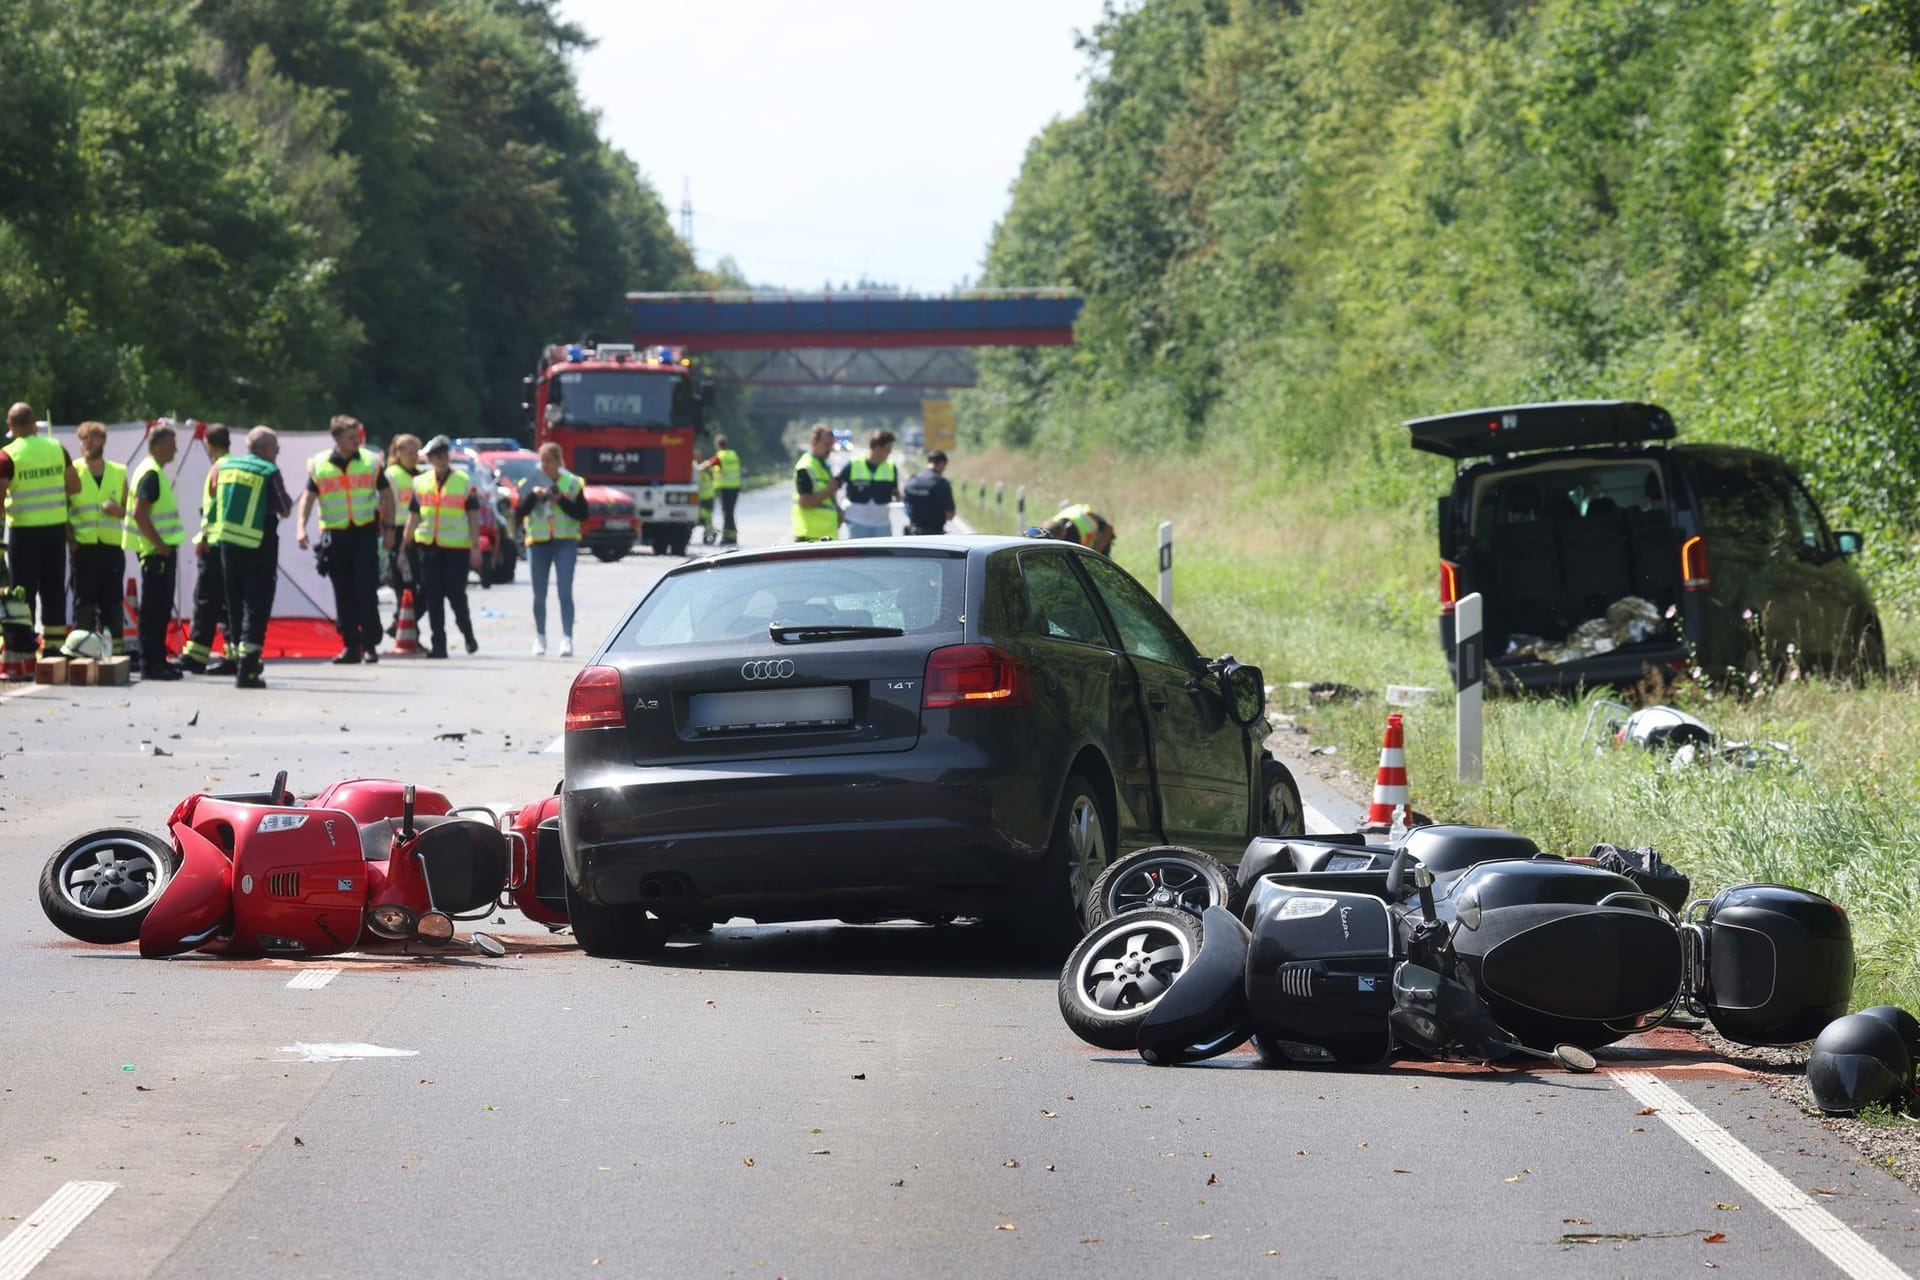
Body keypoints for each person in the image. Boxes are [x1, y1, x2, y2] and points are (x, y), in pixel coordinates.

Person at [295, 414, 394, 664]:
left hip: (364, 533)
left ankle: (370, 644)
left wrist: (390, 528)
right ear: (337, 438)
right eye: (351, 438)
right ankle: (351, 646)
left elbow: (387, 496)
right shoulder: (320, 464)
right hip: (335, 536)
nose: (356, 442)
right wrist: (301, 528)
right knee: (343, 593)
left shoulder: (370, 462)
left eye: (357, 437)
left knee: (366, 591)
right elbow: (308, 499)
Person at [0, 402, 80, 678]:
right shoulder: (57, 449)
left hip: (23, 532)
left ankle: (23, 653)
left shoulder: (7, 455)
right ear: (34, 423)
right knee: (53, 590)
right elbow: (74, 485)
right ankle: (55, 652)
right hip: (55, 531)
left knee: (23, 593)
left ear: (11, 426)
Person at [209, 426, 292, 689]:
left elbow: (214, 497)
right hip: (258, 545)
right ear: (265, 448)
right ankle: (249, 669)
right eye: (275, 448)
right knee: (256, 607)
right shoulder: (268, 471)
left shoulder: (227, 467)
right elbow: (284, 507)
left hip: (227, 545)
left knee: (233, 604)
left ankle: (237, 660)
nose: (277, 452)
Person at [401, 435, 480, 659]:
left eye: (444, 455)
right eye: (437, 456)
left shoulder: (464, 481)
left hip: (457, 549)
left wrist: (475, 547)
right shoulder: (421, 482)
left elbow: (473, 517)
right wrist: (404, 544)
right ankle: (439, 645)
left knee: (455, 595)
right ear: (430, 459)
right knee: (433, 597)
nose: (441, 459)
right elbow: (413, 516)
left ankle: (468, 634)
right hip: (428, 547)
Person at [123, 422, 185, 679]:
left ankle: (159, 659)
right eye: (172, 444)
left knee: (160, 609)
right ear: (159, 446)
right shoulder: (150, 473)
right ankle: (152, 664)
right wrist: (160, 545)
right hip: (155, 553)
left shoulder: (153, 470)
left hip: (159, 551)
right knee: (154, 610)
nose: (176, 449)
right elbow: (140, 513)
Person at [516, 441, 587, 657]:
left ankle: (567, 638)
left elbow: (583, 514)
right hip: (538, 542)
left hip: (565, 541)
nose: (544, 465)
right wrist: (532, 496)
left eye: (549, 460)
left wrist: (561, 500)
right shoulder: (530, 481)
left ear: (559, 461)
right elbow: (519, 512)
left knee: (565, 591)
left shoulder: (573, 483)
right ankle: (540, 637)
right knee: (539, 594)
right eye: (542, 460)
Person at [67, 420, 127, 658]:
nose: (89, 443)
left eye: (94, 438)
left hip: (111, 547)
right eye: (84, 439)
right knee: (84, 603)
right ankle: (84, 650)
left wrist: (118, 511)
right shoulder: (73, 470)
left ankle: (116, 652)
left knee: (112, 602)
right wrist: (70, 541)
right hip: (84, 547)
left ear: (103, 441)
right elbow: (63, 510)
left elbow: (131, 511)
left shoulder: (118, 472)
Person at [179, 424, 235, 675]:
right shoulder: (236, 465)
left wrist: (202, 535)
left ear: (207, 444)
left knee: (205, 601)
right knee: (228, 603)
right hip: (231, 544)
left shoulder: (217, 468)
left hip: (214, 543)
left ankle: (196, 656)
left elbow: (213, 507)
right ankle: (233, 655)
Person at [383, 433, 422, 636]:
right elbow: (385, 505)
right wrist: (387, 531)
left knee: (421, 586)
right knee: (404, 583)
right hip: (398, 532)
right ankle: (407, 629)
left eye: (416, 452)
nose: (414, 456)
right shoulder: (392, 475)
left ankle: (400, 621)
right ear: (398, 453)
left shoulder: (421, 475)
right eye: (409, 452)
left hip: (419, 534)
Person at [835, 429, 899, 539]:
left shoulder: (891, 467)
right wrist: (838, 509)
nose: (890, 453)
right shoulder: (853, 464)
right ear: (878, 448)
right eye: (888, 449)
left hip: (882, 526)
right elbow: (834, 486)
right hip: (857, 524)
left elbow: (896, 493)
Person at [791, 423, 840, 543]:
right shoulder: (806, 466)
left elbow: (827, 499)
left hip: (826, 537)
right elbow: (805, 502)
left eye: (831, 446)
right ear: (814, 442)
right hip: (810, 538)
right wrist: (829, 491)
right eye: (826, 445)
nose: (829, 449)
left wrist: (838, 511)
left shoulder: (822, 465)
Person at [700, 432, 743, 545]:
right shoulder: (733, 454)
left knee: (726, 512)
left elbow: (706, 466)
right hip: (735, 487)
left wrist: (697, 468)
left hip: (725, 488)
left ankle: (728, 538)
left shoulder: (720, 456)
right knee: (730, 512)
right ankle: (731, 537)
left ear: (717, 445)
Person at [903, 449, 956, 535]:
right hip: (934, 536)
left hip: (913, 535)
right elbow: (950, 515)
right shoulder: (941, 483)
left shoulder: (912, 480)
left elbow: (906, 508)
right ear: (942, 463)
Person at [1038, 503, 1116, 555]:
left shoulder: (1085, 518)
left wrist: (1094, 554)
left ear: (1061, 536)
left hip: (1100, 543)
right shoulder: (1052, 525)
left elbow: (1108, 529)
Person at [694, 448, 716, 544]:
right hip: (698, 496)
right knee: (701, 516)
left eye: (698, 455)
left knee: (708, 517)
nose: (697, 457)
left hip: (708, 495)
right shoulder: (693, 465)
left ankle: (709, 534)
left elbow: (711, 474)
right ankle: (710, 532)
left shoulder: (706, 465)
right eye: (695, 455)